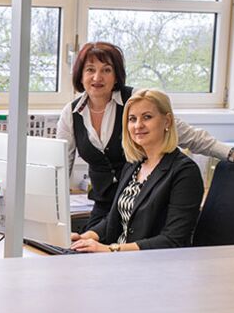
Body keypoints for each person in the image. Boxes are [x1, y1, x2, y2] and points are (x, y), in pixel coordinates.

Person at [58, 42, 234, 229]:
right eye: (90, 70)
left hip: (144, 205)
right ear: (80, 75)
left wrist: (232, 153)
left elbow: (187, 134)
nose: (97, 77)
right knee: (83, 248)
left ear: (116, 76)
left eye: (106, 70)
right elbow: (60, 166)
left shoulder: (136, 101)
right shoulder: (72, 113)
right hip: (105, 206)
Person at [71, 89, 203, 252]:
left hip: (152, 265)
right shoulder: (134, 164)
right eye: (132, 119)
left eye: (147, 117)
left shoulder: (184, 172)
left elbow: (173, 240)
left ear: (167, 121)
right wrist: (84, 238)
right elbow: (113, 221)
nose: (138, 125)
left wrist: (110, 250)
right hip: (120, 259)